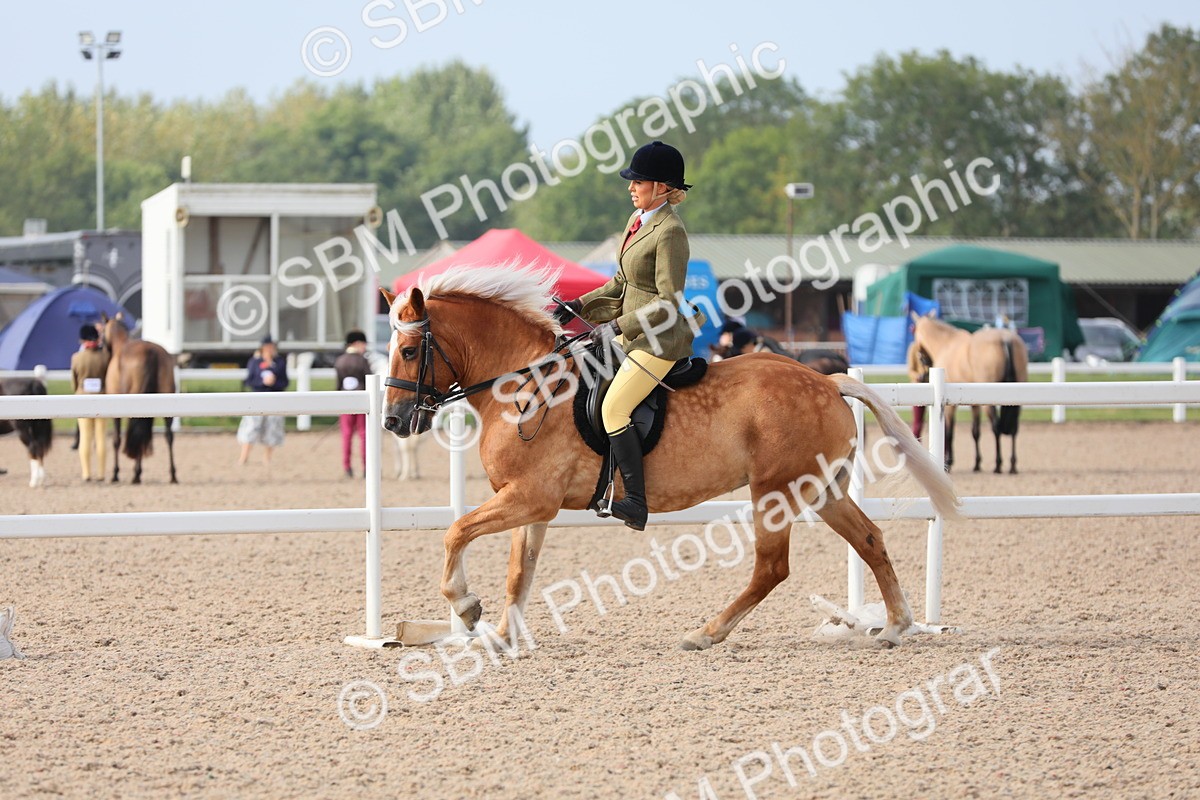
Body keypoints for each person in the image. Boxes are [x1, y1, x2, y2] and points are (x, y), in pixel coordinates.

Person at [553, 140, 694, 531]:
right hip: (629, 337)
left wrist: (617, 325)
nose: (631, 187)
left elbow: (668, 301)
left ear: (663, 188)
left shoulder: (670, 232)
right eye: (631, 181)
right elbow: (620, 281)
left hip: (657, 340)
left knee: (613, 409)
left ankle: (635, 500)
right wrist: (575, 306)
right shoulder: (637, 222)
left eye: (639, 181)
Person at [237, 335, 289, 466]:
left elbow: (285, 381)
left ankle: (267, 458)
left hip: (274, 399)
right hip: (257, 398)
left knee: (272, 428)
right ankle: (244, 457)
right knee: (251, 427)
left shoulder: (280, 362)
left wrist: (274, 382)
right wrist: (262, 382)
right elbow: (249, 380)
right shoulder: (255, 362)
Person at [70, 323, 110, 481]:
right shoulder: (105, 356)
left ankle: (86, 472)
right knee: (101, 437)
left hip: (82, 399)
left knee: (85, 437)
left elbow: (73, 382)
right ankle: (101, 473)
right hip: (102, 398)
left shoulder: (76, 358)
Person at [335, 329, 372, 478]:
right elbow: (369, 380)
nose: (364, 347)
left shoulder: (340, 361)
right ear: (356, 344)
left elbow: (338, 385)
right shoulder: (362, 360)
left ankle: (347, 467)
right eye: (363, 344)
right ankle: (366, 467)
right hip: (361, 401)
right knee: (364, 434)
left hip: (345, 402)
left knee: (346, 435)